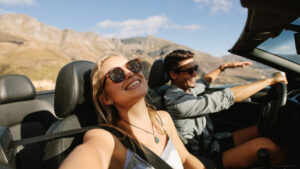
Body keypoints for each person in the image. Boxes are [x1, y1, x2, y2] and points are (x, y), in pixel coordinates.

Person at [59, 53, 205, 169]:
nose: (129, 73)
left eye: (132, 66)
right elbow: (91, 153)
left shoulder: (164, 118)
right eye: (116, 74)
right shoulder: (107, 137)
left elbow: (185, 158)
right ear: (106, 98)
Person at [163, 49, 287, 169]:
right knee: (268, 146)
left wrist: (223, 67)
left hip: (213, 142)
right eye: (190, 71)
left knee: (262, 128)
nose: (195, 74)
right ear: (173, 74)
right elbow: (224, 98)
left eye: (195, 68)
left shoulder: (186, 89)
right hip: (204, 157)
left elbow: (203, 82)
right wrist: (270, 81)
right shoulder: (177, 102)